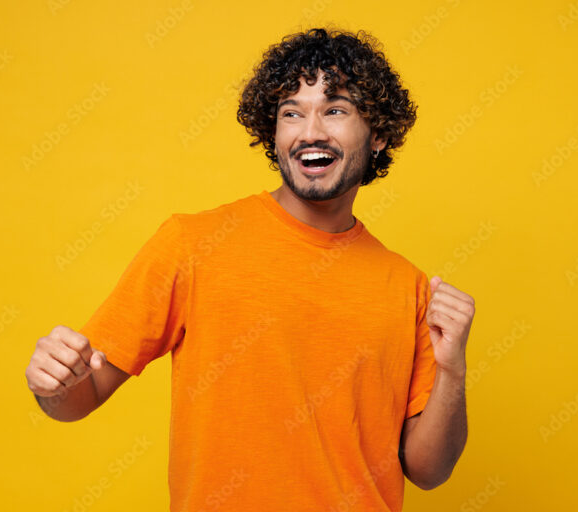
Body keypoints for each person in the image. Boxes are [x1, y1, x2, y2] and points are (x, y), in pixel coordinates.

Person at [25, 27, 475, 511]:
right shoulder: (191, 244)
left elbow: (430, 470)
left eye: (336, 110)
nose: (310, 131)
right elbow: (80, 397)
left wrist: (452, 370)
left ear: (379, 134)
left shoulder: (408, 288)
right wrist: (55, 384)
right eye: (291, 114)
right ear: (274, 134)